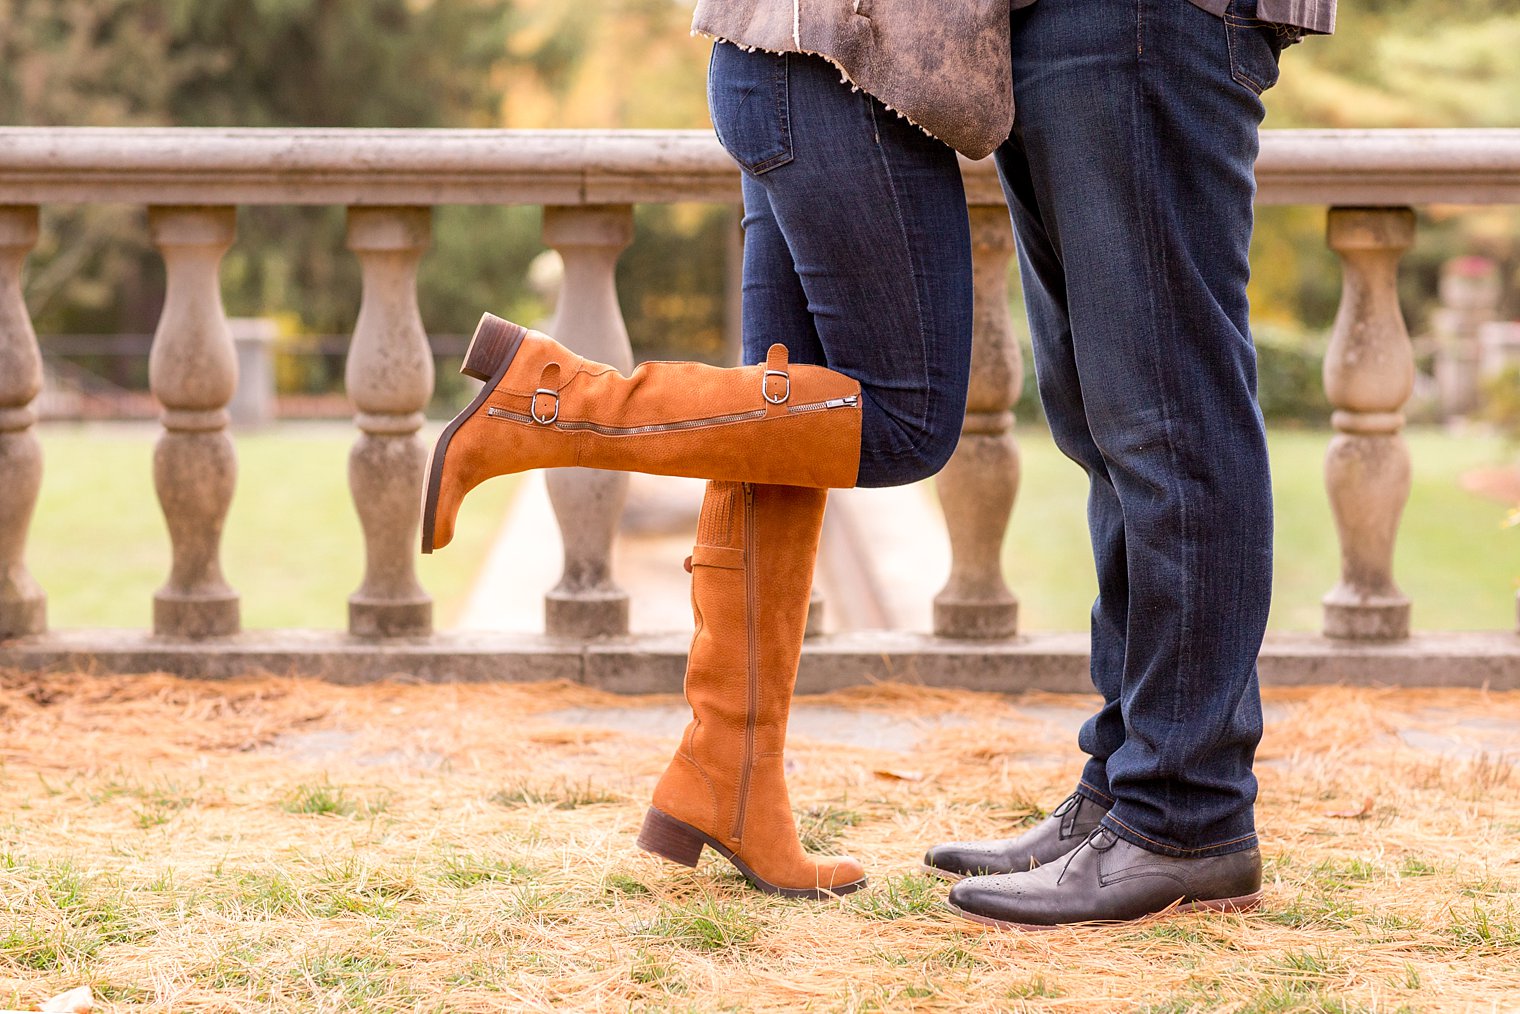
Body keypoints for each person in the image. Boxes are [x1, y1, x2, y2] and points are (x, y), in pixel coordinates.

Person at [420, 5, 1015, 896]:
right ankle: (554, 402)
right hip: (848, 73)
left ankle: (727, 774)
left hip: (786, 65)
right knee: (904, 419)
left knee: (785, 428)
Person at [926, 0, 1337, 929]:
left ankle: (1184, 811)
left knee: (1169, 426)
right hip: (1067, 25)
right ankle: (1125, 787)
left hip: (1147, 19)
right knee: (1109, 430)